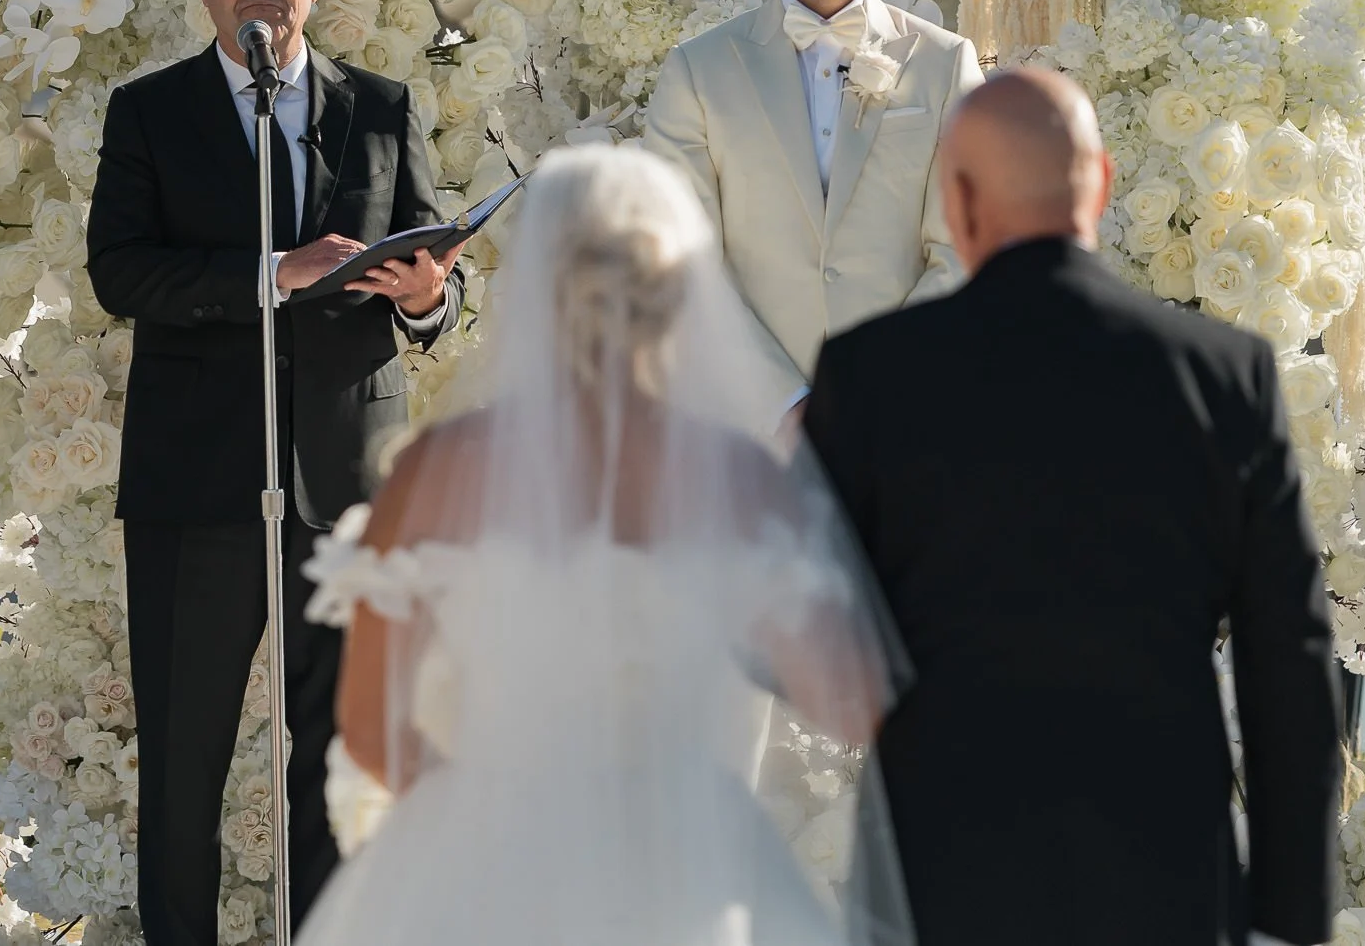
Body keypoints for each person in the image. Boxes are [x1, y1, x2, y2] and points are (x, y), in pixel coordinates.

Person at [297, 144, 913, 946]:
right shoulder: (739, 480)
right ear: (682, 298)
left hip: (484, 873)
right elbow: (854, 699)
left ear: (538, 293)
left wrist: (485, 825)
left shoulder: (438, 474)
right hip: (695, 875)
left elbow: (372, 728)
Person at [802, 69, 1342, 946]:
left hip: (941, 871)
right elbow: (1290, 654)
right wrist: (1290, 920)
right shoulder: (1222, 372)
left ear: (961, 202)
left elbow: (801, 620)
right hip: (1163, 875)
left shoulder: (872, 376)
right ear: (1103, 181)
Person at [86, 0, 465, 944]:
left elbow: (432, 258)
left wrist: (430, 297)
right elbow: (122, 272)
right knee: (184, 764)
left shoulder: (384, 107)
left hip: (346, 491)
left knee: (339, 760)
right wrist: (273, 269)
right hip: (195, 487)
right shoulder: (149, 112)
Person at [644, 0, 985, 424]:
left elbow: (964, 252)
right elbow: (679, 265)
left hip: (905, 427)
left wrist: (876, 394)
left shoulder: (946, 65)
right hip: (746, 437)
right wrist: (784, 408)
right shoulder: (697, 73)